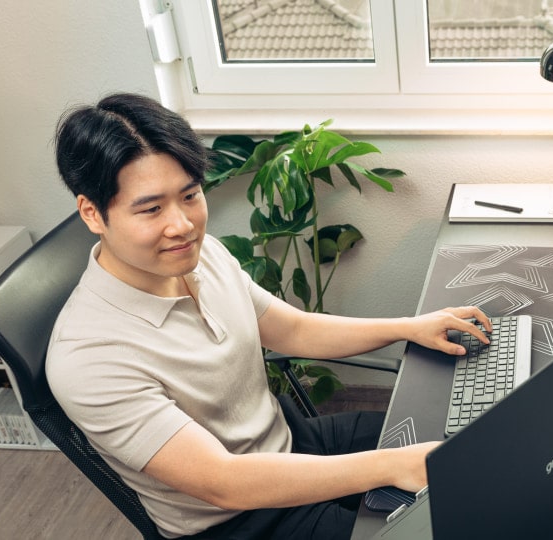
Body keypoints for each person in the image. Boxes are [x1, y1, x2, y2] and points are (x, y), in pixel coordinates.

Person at [47, 92, 491, 539]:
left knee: (469, 448)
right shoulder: (86, 357)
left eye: (190, 195)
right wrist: (391, 466)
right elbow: (223, 482)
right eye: (151, 209)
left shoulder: (197, 255)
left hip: (292, 445)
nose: (181, 225)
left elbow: (293, 329)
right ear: (93, 213)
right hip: (241, 519)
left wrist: (408, 328)